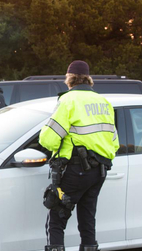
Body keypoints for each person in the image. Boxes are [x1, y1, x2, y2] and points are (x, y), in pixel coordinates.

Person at [39, 61, 119, 251]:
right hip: (99, 171)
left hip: (75, 170)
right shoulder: (104, 102)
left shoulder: (68, 100)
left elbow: (48, 139)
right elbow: (114, 142)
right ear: (88, 79)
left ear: (69, 79)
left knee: (57, 217)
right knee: (87, 218)